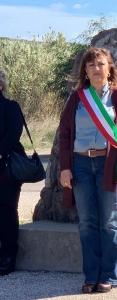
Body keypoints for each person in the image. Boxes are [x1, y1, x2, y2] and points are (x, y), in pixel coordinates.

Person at [59, 47, 117, 293]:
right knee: (87, 222)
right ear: (85, 70)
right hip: (80, 164)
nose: (96, 68)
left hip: (108, 164)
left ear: (109, 68)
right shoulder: (76, 98)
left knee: (111, 222)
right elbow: (65, 135)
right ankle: (91, 275)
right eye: (91, 64)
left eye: (101, 64)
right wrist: (65, 168)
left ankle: (108, 277)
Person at [0, 69, 25, 276]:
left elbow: (13, 133)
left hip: (6, 167)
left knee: (6, 211)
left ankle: (8, 257)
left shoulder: (10, 106)